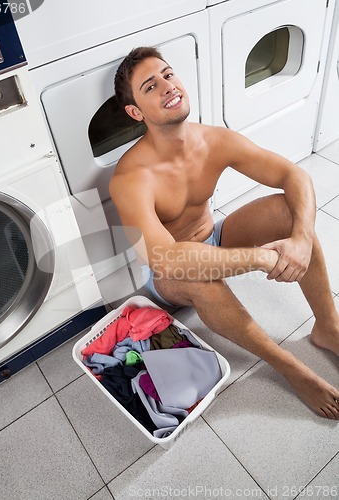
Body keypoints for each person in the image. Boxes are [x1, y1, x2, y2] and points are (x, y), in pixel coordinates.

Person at [109, 46, 339, 419]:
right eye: (150, 86)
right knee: (201, 278)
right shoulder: (129, 178)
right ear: (135, 112)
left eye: (168, 74)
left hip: (213, 237)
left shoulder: (214, 140)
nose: (167, 86)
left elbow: (294, 175)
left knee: (287, 209)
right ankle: (289, 368)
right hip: (167, 276)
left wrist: (299, 240)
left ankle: (328, 327)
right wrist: (261, 258)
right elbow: (163, 258)